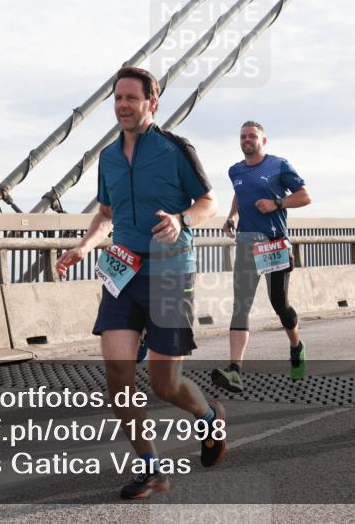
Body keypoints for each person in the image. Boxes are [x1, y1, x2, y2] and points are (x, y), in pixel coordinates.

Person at [54, 66, 226, 499]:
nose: (123, 106)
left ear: (152, 103)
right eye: (117, 98)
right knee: (118, 374)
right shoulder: (109, 158)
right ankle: (151, 468)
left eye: (132, 98)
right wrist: (86, 245)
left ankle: (208, 417)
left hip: (170, 272)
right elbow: (107, 212)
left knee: (164, 384)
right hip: (122, 272)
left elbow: (209, 201)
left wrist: (182, 219)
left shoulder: (174, 149)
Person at [211, 121, 311, 394]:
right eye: (243, 136)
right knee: (240, 306)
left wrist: (277, 203)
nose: (246, 139)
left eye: (252, 136)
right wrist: (232, 216)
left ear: (263, 141)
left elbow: (304, 196)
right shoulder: (235, 170)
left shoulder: (279, 165)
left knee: (279, 303)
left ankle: (296, 346)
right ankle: (235, 370)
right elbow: (240, 193)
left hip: (274, 244)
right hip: (245, 243)